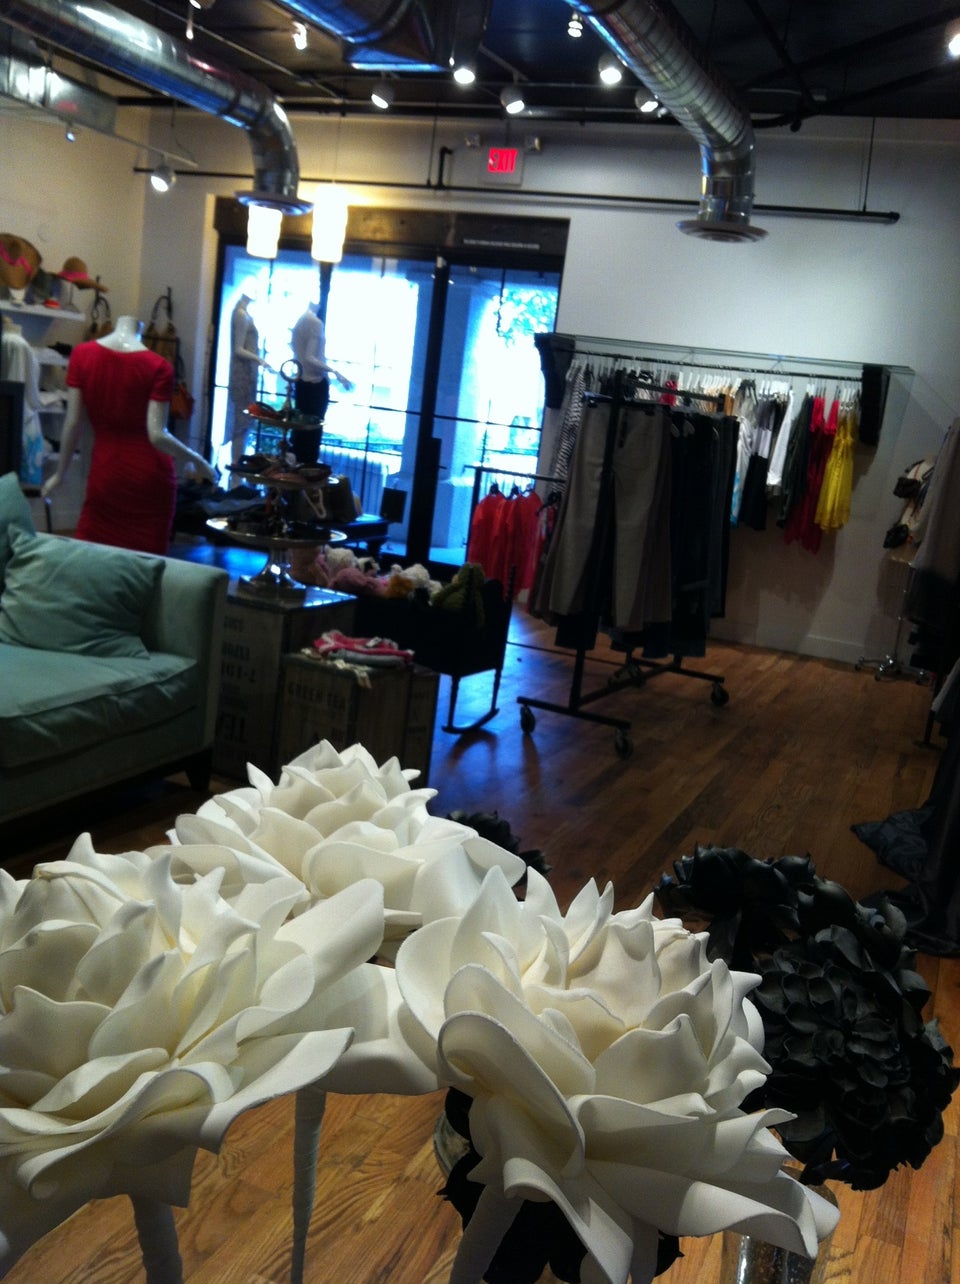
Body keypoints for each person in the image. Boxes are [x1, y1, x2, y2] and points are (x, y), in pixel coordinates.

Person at [42, 315, 217, 555]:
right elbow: (157, 435)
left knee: (92, 558)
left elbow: (73, 423)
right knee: (145, 564)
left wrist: (59, 474)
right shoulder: (159, 367)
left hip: (105, 472)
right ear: (140, 329)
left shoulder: (82, 355)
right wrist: (198, 460)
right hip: (150, 477)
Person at [289, 300, 354, 463]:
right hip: (315, 383)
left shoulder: (300, 321)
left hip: (301, 381)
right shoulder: (315, 323)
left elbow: (298, 352)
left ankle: (297, 467)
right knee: (311, 434)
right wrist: (334, 371)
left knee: (300, 433)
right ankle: (306, 469)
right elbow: (310, 357)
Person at [228, 281, 273, 466]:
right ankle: (236, 465)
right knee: (241, 422)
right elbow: (238, 349)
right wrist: (259, 359)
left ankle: (239, 464)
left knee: (245, 422)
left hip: (248, 374)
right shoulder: (240, 314)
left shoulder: (245, 314)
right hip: (242, 374)